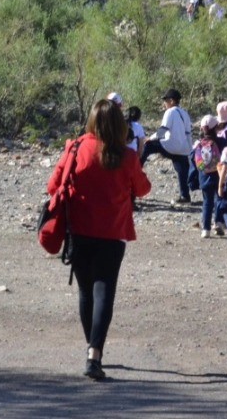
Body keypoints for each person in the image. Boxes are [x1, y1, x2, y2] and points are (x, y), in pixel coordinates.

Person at [47, 99, 151, 381]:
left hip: (79, 230)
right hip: (113, 233)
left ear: (92, 121)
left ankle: (91, 346)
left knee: (85, 291)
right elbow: (143, 189)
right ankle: (95, 353)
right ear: (119, 125)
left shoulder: (76, 148)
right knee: (104, 291)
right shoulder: (127, 156)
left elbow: (53, 185)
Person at [140, 88, 193, 204]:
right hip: (183, 148)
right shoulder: (185, 113)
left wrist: (150, 138)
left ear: (172, 101)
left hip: (170, 145)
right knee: (182, 171)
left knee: (148, 146)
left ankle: (137, 169)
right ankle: (185, 195)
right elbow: (188, 133)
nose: (164, 103)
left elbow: (163, 130)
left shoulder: (170, 112)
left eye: (166, 100)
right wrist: (189, 149)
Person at [191, 115, 222, 238]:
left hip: (203, 176)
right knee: (219, 199)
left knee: (207, 202)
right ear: (215, 128)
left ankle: (206, 229)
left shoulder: (198, 144)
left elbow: (193, 160)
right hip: (218, 175)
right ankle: (218, 222)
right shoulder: (220, 142)